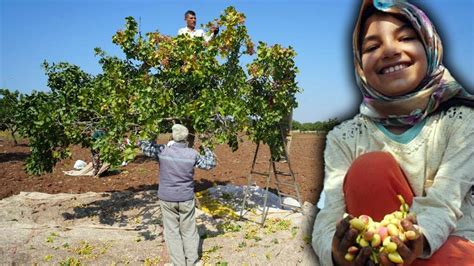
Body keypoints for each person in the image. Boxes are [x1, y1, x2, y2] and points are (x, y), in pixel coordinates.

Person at [312, 0, 474, 265]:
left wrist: (418, 238)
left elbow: (445, 200)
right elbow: (329, 213)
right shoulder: (344, 138)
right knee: (370, 169)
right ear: (360, 66)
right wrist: (335, 252)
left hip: (450, 244)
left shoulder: (462, 122)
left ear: (430, 46)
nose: (389, 50)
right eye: (373, 46)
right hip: (381, 256)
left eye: (406, 37)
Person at [138, 124, 216, 266]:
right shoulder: (192, 154)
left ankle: (178, 263)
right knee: (190, 231)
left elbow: (144, 146)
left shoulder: (163, 151)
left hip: (167, 198)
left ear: (173, 136)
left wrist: (151, 133)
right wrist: (206, 146)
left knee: (172, 232)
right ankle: (192, 262)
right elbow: (210, 164)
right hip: (185, 198)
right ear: (186, 137)